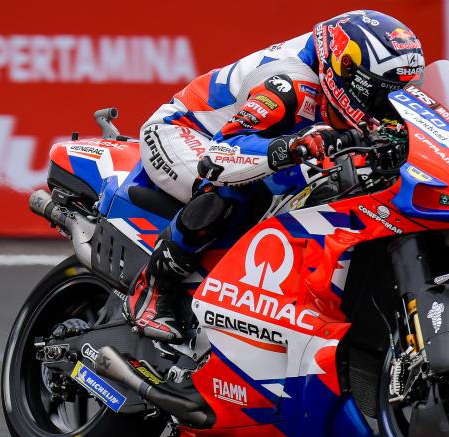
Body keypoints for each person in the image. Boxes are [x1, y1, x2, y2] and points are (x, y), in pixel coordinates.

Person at [126, 10, 425, 342]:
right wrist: (294, 146)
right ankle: (152, 288)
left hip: (252, 141)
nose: (388, 108)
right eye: (383, 95)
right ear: (348, 70)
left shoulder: (340, 77)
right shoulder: (289, 82)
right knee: (234, 187)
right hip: (186, 135)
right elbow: (222, 156)